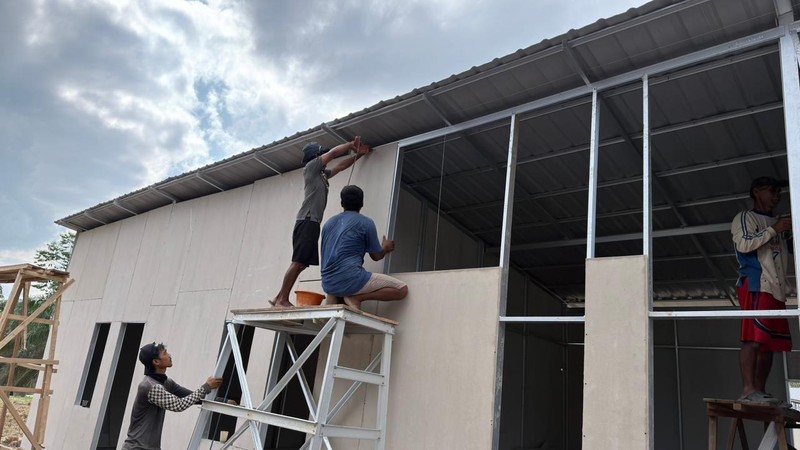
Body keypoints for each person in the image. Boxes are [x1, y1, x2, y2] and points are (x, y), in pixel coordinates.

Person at [269, 138, 370, 307]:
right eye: (321, 153)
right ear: (316, 156)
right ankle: (281, 299)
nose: (324, 155)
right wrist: (351, 145)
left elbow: (340, 166)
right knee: (298, 262)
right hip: (307, 219)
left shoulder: (321, 174)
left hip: (312, 222)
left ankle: (278, 297)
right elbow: (333, 154)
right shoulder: (311, 167)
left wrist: (359, 155)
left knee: (301, 264)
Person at [731, 176, 793, 405]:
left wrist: (786, 230)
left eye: (780, 192)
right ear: (757, 191)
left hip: (776, 286)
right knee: (753, 338)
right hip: (756, 282)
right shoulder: (745, 217)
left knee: (770, 343)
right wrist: (774, 229)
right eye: (772, 190)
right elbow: (744, 244)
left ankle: (760, 390)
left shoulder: (778, 220)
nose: (777, 196)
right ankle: (748, 389)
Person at [320, 185, 408, 310]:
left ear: (341, 203)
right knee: (402, 289)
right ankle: (357, 298)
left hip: (328, 283)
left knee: (342, 283)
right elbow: (376, 256)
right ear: (362, 203)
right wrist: (385, 247)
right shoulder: (366, 223)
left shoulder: (328, 224)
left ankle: (336, 296)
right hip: (351, 280)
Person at [120, 343, 223, 450]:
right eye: (165, 353)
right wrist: (206, 387)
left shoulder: (165, 382)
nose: (169, 355)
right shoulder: (150, 386)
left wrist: (222, 401)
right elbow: (179, 405)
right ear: (156, 362)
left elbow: (192, 396)